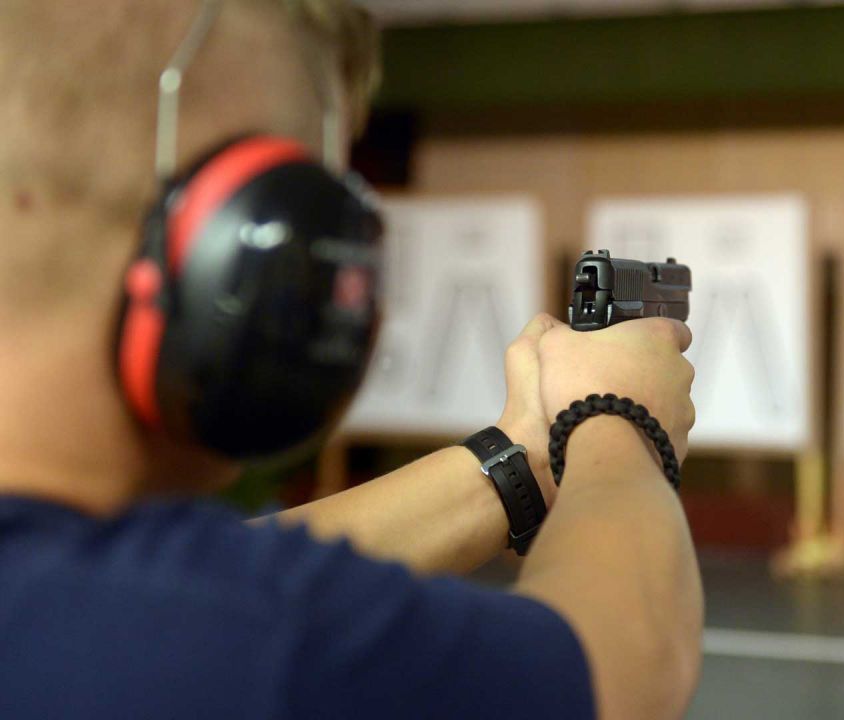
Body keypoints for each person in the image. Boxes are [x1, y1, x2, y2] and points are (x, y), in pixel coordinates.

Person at [0, 1, 702, 718]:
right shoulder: (227, 642)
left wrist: (522, 457)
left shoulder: (80, 603)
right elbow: (622, 668)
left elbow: (204, 572)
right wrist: (618, 418)